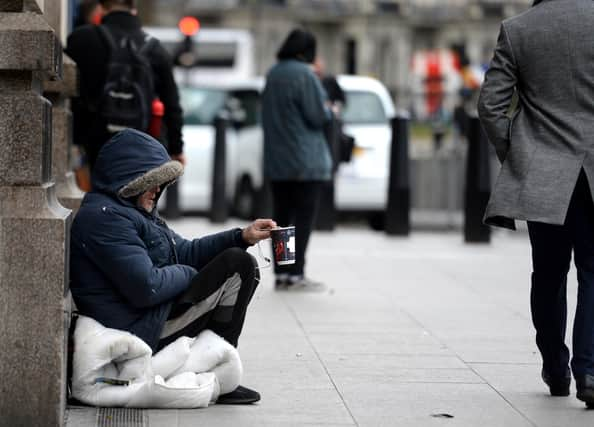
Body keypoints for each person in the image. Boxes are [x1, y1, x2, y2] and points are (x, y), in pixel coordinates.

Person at [69, 129, 276, 404]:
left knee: (239, 258)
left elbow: (185, 251)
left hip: (150, 315)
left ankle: (216, 363)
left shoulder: (131, 212)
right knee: (238, 266)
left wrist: (241, 236)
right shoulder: (105, 219)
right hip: (141, 327)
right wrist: (189, 274)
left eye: (162, 182)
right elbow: (148, 286)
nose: (157, 189)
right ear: (130, 180)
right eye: (152, 181)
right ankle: (217, 371)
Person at [478, 0, 594, 408]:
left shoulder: (518, 28)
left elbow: (490, 106)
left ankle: (556, 368)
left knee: (548, 273)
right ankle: (590, 369)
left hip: (543, 171)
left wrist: (518, 156)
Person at [65, 0, 185, 170]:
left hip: (93, 144)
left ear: (102, 8)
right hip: (137, 144)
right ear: (134, 9)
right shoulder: (155, 49)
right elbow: (172, 104)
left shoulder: (82, 38)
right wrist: (176, 148)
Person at [261, 28, 331, 292]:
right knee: (302, 218)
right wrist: (330, 110)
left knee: (282, 218)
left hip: (277, 160)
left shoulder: (274, 73)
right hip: (305, 160)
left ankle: (282, 273)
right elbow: (317, 116)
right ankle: (296, 272)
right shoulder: (305, 75)